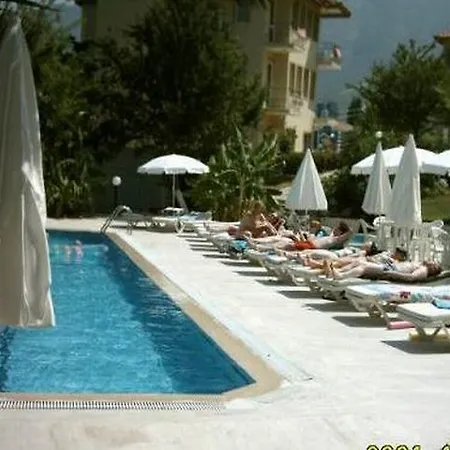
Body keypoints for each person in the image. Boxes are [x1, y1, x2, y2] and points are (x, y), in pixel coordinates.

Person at [328, 259, 441, 282]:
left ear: (433, 268)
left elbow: (411, 277)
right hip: (389, 266)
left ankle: (341, 277)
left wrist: (391, 273)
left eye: (434, 262)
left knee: (364, 267)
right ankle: (338, 271)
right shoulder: (421, 265)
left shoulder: (424, 270)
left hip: (390, 270)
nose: (431, 260)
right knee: (359, 262)